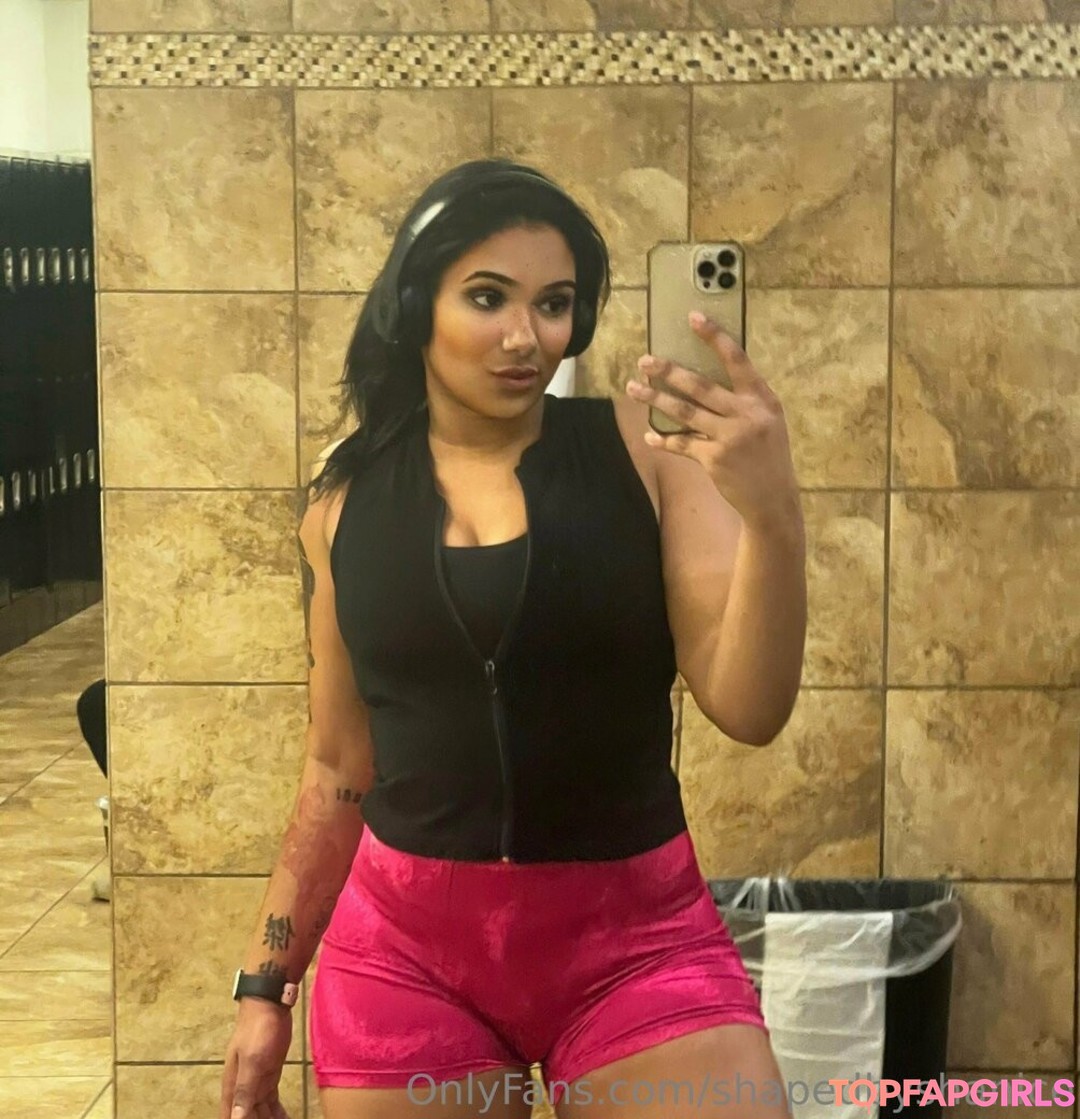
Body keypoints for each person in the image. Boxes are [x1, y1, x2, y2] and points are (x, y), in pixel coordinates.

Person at [219, 159, 808, 1119]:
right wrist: (264, 988)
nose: (526, 336)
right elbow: (336, 766)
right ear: (416, 304)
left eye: (555, 303)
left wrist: (774, 515)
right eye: (488, 297)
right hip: (405, 955)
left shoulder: (647, 454)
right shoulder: (343, 504)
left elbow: (751, 707)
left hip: (638, 939)